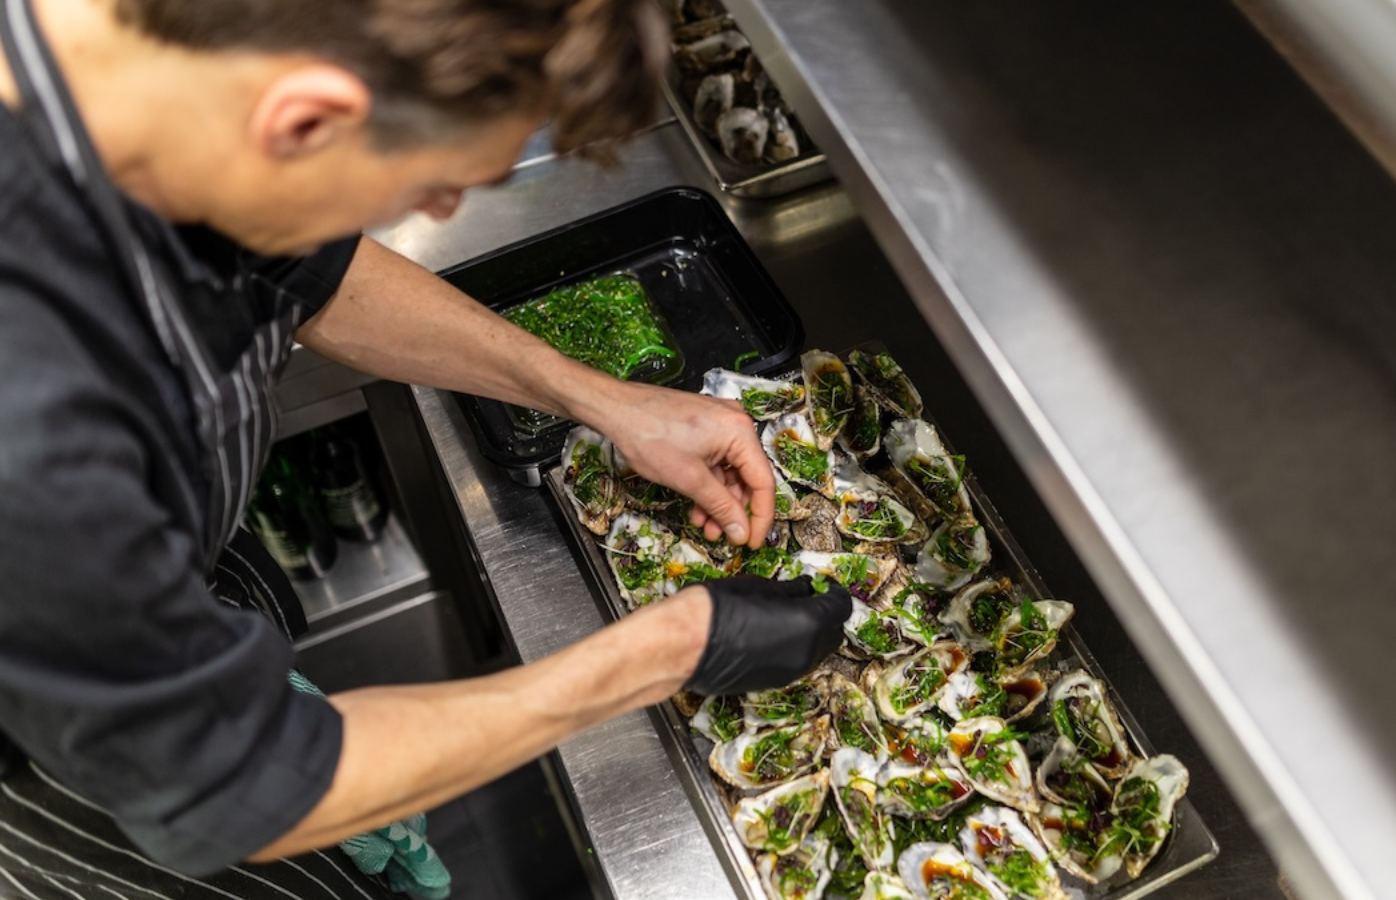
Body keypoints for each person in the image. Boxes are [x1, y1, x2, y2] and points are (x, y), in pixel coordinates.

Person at [0, 0, 850, 897]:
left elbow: (313, 267)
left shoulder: (161, 67)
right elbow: (234, 784)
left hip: (154, 588)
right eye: (438, 183)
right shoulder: (37, 416)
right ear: (307, 120)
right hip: (54, 761)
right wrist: (666, 653)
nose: (441, 210)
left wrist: (608, 402)